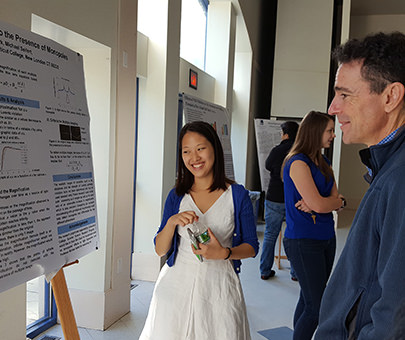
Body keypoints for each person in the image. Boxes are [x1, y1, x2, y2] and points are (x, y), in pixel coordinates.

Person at [315, 32, 405, 340]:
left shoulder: (399, 178)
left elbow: (395, 315)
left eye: (344, 95)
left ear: (390, 97)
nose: (332, 108)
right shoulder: (389, 168)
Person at [139, 121, 259, 340]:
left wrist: (225, 253)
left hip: (219, 287)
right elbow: (159, 249)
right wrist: (171, 222)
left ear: (214, 148)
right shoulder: (176, 195)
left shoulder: (237, 195)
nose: (194, 158)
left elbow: (252, 247)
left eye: (200, 149)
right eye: (186, 151)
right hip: (175, 288)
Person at [282, 111, 346, 340]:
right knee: (317, 308)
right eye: (330, 130)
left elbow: (336, 200)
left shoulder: (323, 162)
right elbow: (322, 204)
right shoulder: (297, 162)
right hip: (303, 241)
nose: (334, 135)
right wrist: (325, 203)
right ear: (315, 131)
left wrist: (328, 203)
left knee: (308, 300)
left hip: (326, 237)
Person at [260, 121, 299, 280]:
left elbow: (268, 166)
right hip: (293, 199)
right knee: (293, 236)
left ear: (286, 134)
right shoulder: (299, 151)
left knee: (270, 235)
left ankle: (264, 270)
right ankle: (295, 273)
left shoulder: (277, 150)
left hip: (274, 197)